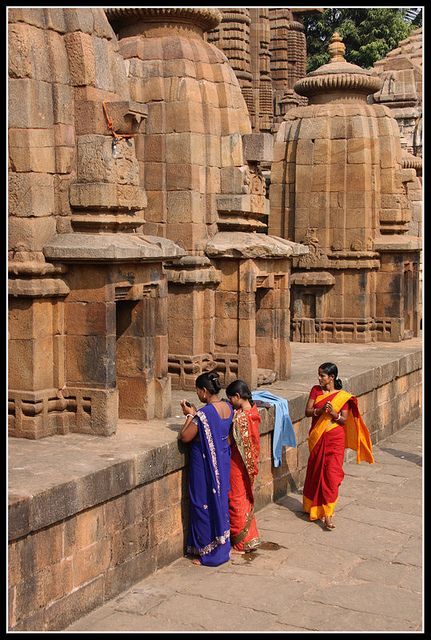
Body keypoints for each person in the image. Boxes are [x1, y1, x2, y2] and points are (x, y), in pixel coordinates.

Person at [303, 362, 374, 530]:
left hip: (335, 438)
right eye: (319, 375)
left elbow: (343, 419)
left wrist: (333, 414)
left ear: (332, 378)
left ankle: (328, 514)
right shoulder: (316, 390)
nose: (319, 378)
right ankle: (311, 506)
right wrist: (320, 412)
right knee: (315, 471)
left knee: (331, 475)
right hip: (317, 437)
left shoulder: (343, 397)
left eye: (323, 376)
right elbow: (307, 411)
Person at [178, 371, 233, 566]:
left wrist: (189, 416)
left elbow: (185, 437)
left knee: (202, 502)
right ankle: (221, 545)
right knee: (219, 501)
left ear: (203, 391)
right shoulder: (228, 406)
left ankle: (207, 551)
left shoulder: (204, 415)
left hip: (205, 466)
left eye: (198, 391)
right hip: (223, 462)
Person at [225, 380, 261, 553]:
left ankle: (241, 541)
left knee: (236, 498)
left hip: (237, 465)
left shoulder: (240, 418)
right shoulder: (252, 410)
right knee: (245, 497)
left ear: (238, 397)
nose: (230, 401)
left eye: (231, 398)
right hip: (249, 464)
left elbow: (229, 441)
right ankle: (251, 536)